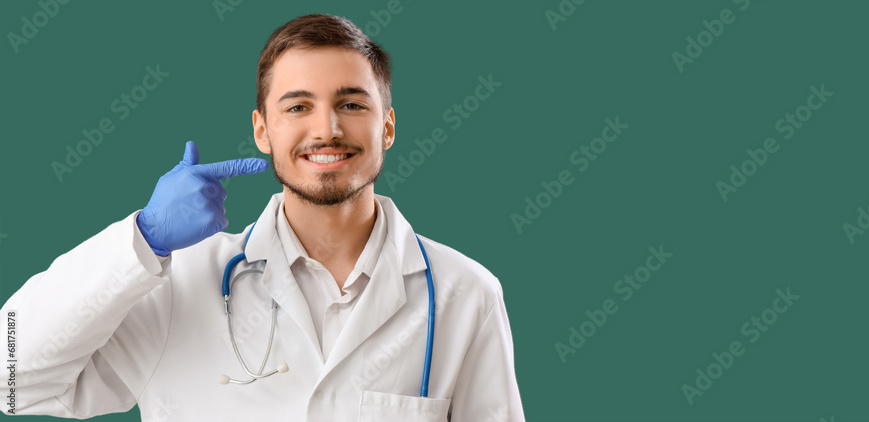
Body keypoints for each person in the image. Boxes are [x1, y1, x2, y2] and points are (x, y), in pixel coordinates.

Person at [1, 13, 524, 421]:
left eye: (352, 104)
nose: (327, 129)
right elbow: (11, 377)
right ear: (261, 130)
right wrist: (143, 241)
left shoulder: (464, 293)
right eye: (297, 107)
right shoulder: (179, 281)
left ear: (386, 128)